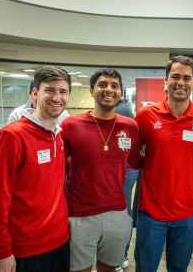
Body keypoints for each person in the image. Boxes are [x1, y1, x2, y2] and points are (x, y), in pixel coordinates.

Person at [0, 66, 72, 272]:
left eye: (63, 91)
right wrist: (2, 251)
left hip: (59, 242)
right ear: (35, 94)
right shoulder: (11, 137)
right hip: (25, 249)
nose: (57, 97)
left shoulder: (58, 135)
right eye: (50, 90)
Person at [134, 55, 193, 272]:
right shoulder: (146, 115)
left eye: (186, 78)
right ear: (165, 81)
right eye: (175, 76)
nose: (180, 82)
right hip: (151, 214)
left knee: (179, 269)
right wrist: (152, 164)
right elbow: (131, 153)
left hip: (188, 215)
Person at [60, 68, 143, 272]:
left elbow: (136, 161)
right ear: (91, 91)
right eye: (102, 85)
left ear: (121, 93)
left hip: (117, 212)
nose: (109, 90)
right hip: (80, 214)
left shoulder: (130, 127)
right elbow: (59, 165)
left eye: (115, 86)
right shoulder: (71, 124)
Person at [116, 96, 139, 270]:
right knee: (124, 207)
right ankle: (120, 254)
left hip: (124, 167)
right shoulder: (125, 109)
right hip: (128, 167)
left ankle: (119, 255)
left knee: (120, 209)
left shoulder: (120, 111)